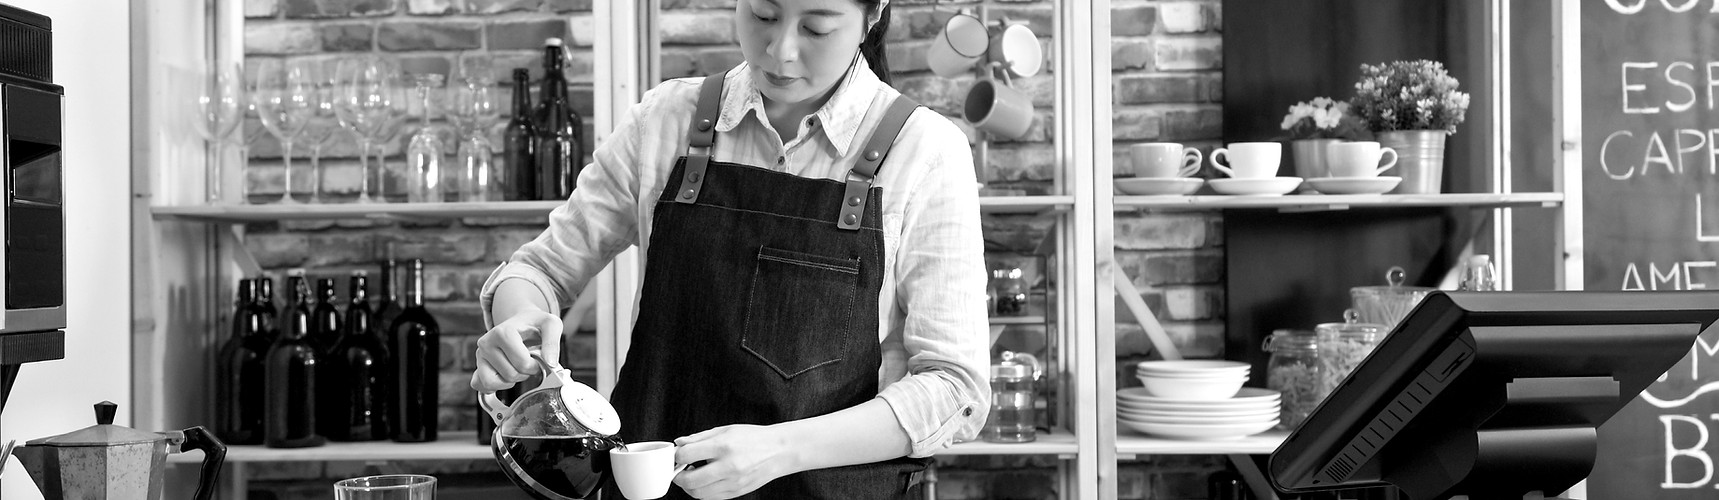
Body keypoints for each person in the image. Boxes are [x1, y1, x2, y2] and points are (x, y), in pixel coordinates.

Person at [471, 0, 991, 498]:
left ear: (871, 17)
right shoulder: (667, 118)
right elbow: (540, 269)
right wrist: (516, 323)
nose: (780, 49)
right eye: (762, 15)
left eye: (816, 28)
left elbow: (954, 389)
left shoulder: (925, 150)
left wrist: (780, 450)